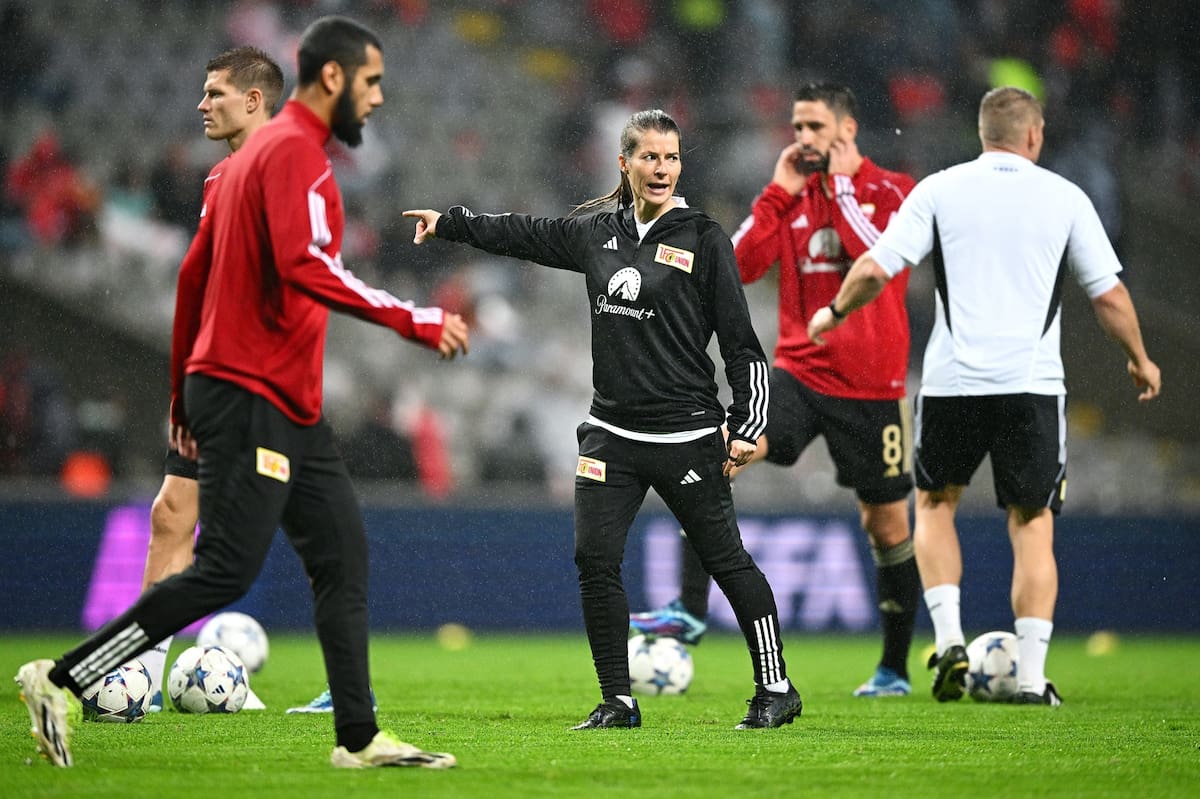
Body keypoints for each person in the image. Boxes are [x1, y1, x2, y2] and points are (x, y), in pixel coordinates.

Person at [15, 15, 470, 769]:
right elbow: (303, 266)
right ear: (334, 79)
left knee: (342, 552)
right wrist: (412, 317)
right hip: (252, 388)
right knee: (226, 567)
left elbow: (194, 277)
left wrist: (181, 392)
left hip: (275, 396)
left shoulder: (239, 169)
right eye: (372, 81)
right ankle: (63, 678)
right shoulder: (292, 156)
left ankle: (357, 736)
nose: (379, 98)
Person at [404, 109, 802, 731]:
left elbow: (743, 346)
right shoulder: (598, 233)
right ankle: (618, 699)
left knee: (726, 561)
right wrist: (453, 223)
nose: (661, 168)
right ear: (625, 163)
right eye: (649, 157)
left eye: (670, 158)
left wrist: (745, 423)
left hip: (686, 434)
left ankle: (776, 688)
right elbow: (525, 233)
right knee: (595, 561)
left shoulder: (703, 237)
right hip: (611, 434)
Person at [807, 86, 1162, 706]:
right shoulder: (1064, 197)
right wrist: (1139, 358)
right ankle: (1029, 680)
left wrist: (833, 312)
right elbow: (1108, 295)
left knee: (936, 505)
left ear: (982, 133)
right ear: (1034, 135)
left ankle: (948, 640)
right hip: (1031, 386)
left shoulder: (941, 189)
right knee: (1032, 525)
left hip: (953, 382)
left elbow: (875, 266)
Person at [630, 83, 921, 699]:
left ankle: (893, 669)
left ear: (848, 128)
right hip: (800, 372)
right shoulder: (792, 198)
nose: (803, 139)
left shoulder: (894, 189)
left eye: (815, 127)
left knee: (887, 525)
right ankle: (687, 609)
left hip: (874, 386)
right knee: (720, 454)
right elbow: (730, 270)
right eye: (797, 127)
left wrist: (839, 190)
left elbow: (881, 261)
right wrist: (776, 195)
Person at [138, 44, 285, 714]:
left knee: (318, 536)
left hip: (257, 387)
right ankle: (133, 671)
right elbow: (199, 295)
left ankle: (353, 699)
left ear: (254, 100)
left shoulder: (288, 173)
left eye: (216, 92)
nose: (201, 104)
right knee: (172, 513)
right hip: (211, 382)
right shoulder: (220, 181)